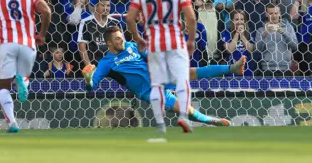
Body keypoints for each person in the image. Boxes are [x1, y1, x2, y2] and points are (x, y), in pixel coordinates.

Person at [85, 26, 246, 127]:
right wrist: (88, 78)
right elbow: (92, 86)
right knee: (184, 109)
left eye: (122, 37)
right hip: (149, 91)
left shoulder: (131, 46)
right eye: (118, 39)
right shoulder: (105, 63)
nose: (122, 41)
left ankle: (232, 68)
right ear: (109, 43)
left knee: (193, 71)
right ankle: (213, 121)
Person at [126, 0, 197, 135]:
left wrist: (137, 37)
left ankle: (160, 123)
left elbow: (130, 18)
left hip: (154, 43)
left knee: (157, 84)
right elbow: (190, 17)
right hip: (175, 40)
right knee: (182, 80)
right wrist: (191, 40)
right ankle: (183, 116)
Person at [0, 0, 52, 133]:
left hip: (7, 44)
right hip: (28, 44)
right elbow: (46, 11)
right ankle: (22, 81)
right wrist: (42, 34)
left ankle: (13, 123)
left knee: (3, 86)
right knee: (23, 76)